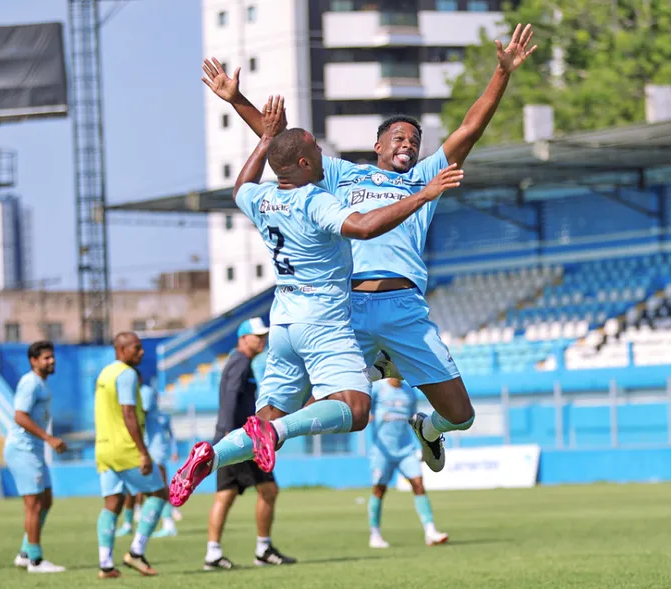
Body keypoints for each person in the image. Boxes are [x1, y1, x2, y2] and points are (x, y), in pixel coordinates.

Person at [200, 23, 537, 472]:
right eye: (398, 137)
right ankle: (214, 457)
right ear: (378, 145)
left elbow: (469, 128)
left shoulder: (424, 179)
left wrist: (503, 73)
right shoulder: (343, 175)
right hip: (348, 308)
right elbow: (286, 151)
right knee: (301, 408)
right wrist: (237, 101)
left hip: (404, 308)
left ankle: (425, 425)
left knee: (462, 415)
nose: (408, 144)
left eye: (414, 141)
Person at [169, 95, 464, 508]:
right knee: (355, 411)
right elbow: (361, 228)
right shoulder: (315, 201)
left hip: (283, 322)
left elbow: (247, 180)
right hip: (322, 320)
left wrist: (264, 132)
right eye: (316, 150)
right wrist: (423, 195)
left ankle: (210, 455)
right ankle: (277, 434)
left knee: (268, 418)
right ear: (306, 165)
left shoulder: (260, 199)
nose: (323, 154)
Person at [205, 317, 295, 570]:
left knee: (225, 495)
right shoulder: (242, 363)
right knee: (269, 490)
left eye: (263, 335)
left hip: (227, 438)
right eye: (257, 336)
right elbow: (232, 401)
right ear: (243, 338)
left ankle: (213, 554)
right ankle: (263, 549)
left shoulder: (237, 361)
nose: (262, 340)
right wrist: (234, 439)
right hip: (240, 440)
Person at [94, 332, 170, 579]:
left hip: (103, 447)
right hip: (124, 448)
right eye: (137, 348)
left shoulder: (105, 373)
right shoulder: (127, 375)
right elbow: (128, 413)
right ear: (122, 349)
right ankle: (136, 552)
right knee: (159, 493)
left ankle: (105, 564)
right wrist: (143, 452)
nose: (141, 352)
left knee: (112, 503)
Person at [4, 340, 67, 573]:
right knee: (33, 505)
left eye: (52, 357)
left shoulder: (41, 384)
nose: (52, 361)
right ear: (33, 361)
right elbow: (19, 416)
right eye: (46, 358)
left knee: (46, 501)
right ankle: (36, 561)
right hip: (23, 449)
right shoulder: (30, 383)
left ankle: (25, 553)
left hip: (35, 450)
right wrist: (49, 438)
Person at [367, 378, 448, 549]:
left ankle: (430, 531)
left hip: (406, 449)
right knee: (379, 490)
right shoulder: (377, 388)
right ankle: (375, 534)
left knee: (418, 484)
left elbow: (414, 421)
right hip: (382, 451)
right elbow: (365, 410)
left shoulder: (409, 391)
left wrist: (424, 447)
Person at [115, 373, 181, 538]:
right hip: (140, 444)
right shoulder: (131, 394)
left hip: (153, 445)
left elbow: (138, 414)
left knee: (159, 482)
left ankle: (168, 523)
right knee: (130, 485)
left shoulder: (145, 392)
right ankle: (128, 523)